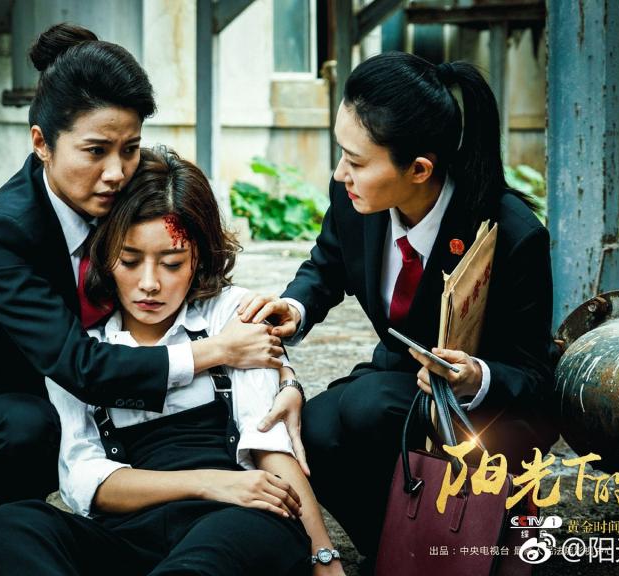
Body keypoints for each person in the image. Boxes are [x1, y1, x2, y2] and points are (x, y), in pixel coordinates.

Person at [0, 24, 302, 505]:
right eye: (95, 151)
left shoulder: (127, 193)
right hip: (14, 401)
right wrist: (217, 350)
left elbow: (204, 290)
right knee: (26, 430)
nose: (116, 172)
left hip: (106, 391)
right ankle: (33, 524)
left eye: (130, 148)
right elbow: (79, 366)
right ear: (41, 143)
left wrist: (284, 379)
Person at [238, 52, 560, 565]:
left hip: (490, 412)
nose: (340, 172)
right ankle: (401, 552)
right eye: (341, 153)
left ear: (419, 169)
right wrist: (295, 307)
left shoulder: (514, 235)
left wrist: (475, 376)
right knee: (311, 431)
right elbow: (328, 263)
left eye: (356, 161)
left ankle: (471, 542)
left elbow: (537, 379)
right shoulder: (355, 197)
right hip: (400, 383)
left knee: (366, 407)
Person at [0, 146, 344, 576]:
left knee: (214, 552)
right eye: (130, 260)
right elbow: (85, 481)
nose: (149, 283)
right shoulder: (80, 343)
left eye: (172, 263)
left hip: (236, 523)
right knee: (15, 525)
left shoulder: (232, 314)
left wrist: (324, 556)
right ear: (103, 254)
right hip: (132, 534)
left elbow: (270, 443)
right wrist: (209, 483)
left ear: (199, 257)